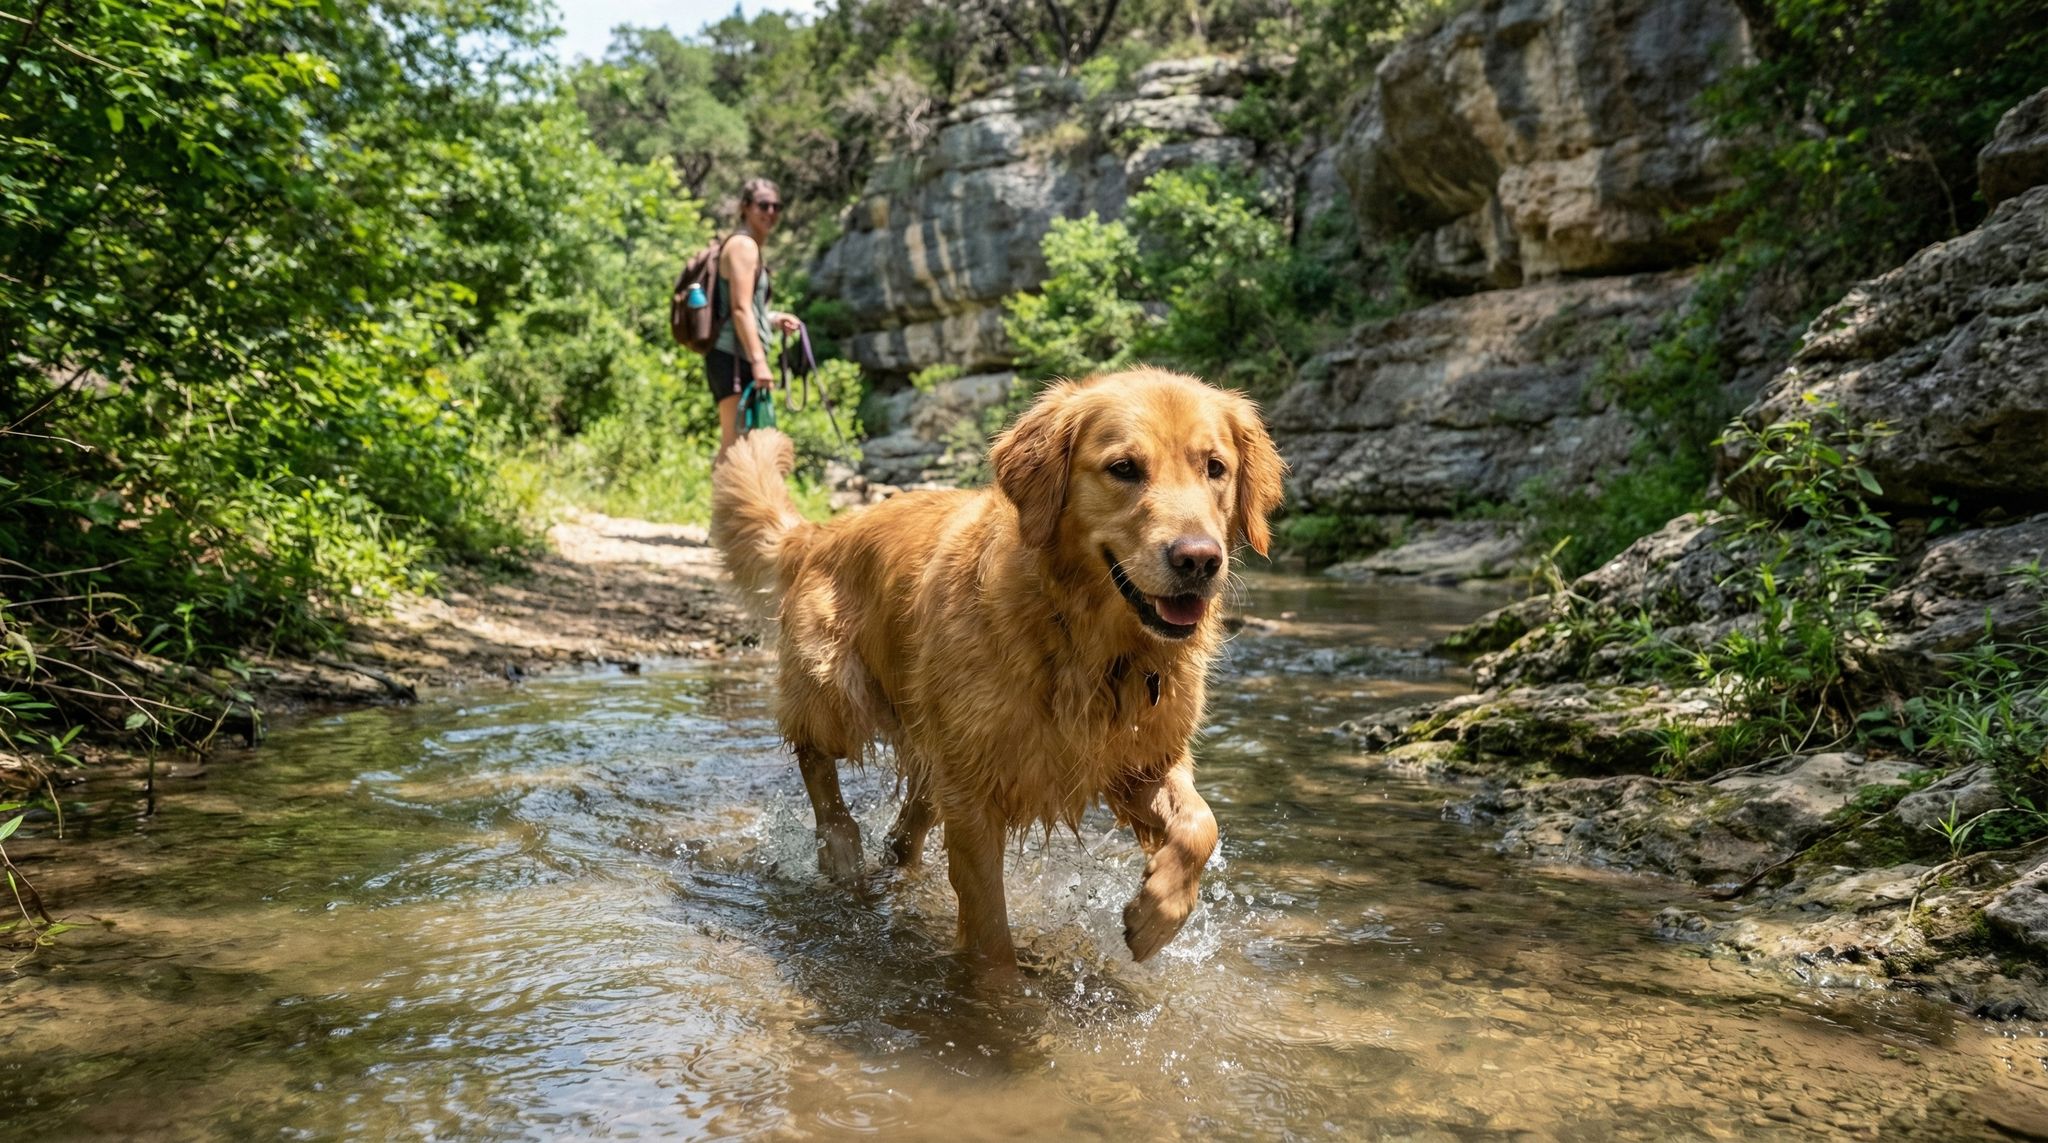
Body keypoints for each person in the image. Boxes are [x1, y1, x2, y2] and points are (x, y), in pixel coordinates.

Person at [709, 177, 802, 459]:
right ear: (745, 207)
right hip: (732, 357)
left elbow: (746, 307)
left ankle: (737, 504)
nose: (771, 212)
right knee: (735, 443)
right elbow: (739, 309)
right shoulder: (743, 246)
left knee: (746, 443)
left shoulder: (749, 247)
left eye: (777, 206)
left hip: (739, 356)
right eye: (763, 205)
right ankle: (725, 504)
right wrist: (760, 362)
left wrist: (773, 319)